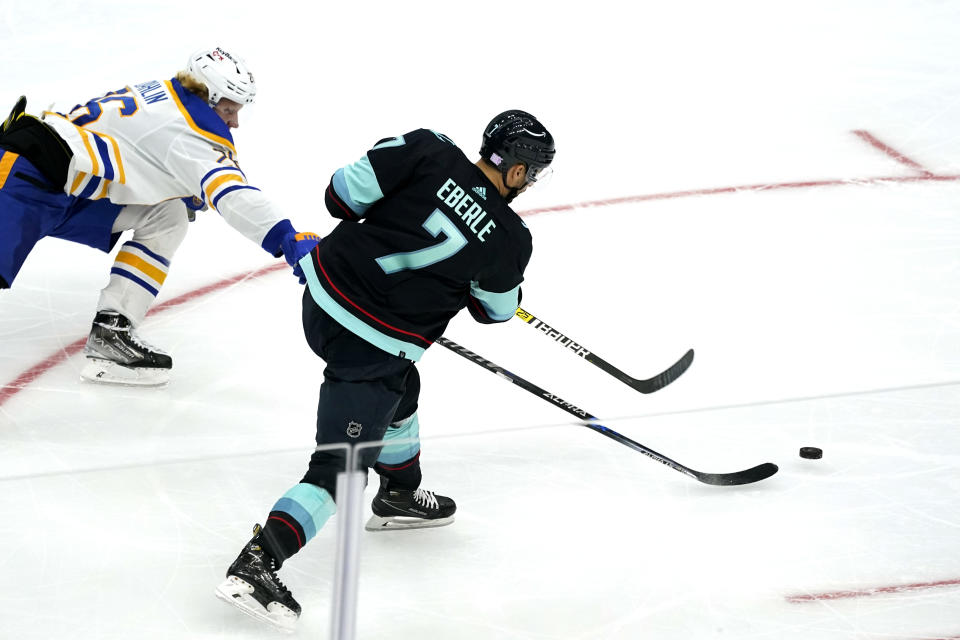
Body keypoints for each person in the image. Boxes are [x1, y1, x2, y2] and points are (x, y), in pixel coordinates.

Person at [215, 110, 556, 631]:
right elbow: (495, 312)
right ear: (514, 171)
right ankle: (259, 562)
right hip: (370, 350)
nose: (529, 184)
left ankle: (399, 491)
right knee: (340, 470)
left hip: (321, 299)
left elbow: (339, 197)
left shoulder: (427, 148)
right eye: (531, 174)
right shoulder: (511, 239)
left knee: (403, 394)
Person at [0, 47, 316, 386]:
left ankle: (112, 332)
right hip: (21, 176)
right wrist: (286, 236)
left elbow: (137, 149)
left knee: (167, 215)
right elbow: (232, 193)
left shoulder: (167, 93)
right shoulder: (192, 130)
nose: (234, 121)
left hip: (67, 188)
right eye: (228, 109)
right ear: (208, 97)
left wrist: (176, 185)